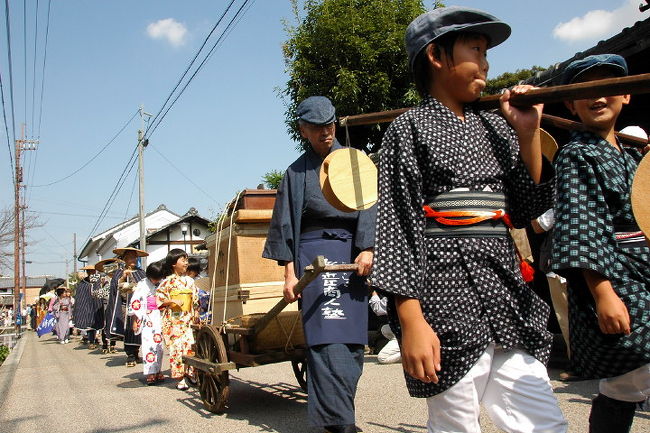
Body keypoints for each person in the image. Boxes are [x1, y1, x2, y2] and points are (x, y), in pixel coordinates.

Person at [372, 7, 568, 433]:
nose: (485, 62)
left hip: (506, 298)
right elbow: (398, 229)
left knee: (544, 423)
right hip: (444, 307)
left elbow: (526, 208)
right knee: (456, 425)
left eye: (486, 53)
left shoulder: (496, 128)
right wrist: (411, 322)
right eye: (475, 50)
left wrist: (528, 133)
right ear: (436, 56)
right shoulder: (408, 130)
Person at [263, 96, 376, 433]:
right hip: (312, 258)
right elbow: (283, 224)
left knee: (353, 342)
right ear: (303, 130)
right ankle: (337, 425)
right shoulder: (295, 173)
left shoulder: (357, 163)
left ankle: (339, 417)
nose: (325, 132)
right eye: (316, 127)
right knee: (326, 341)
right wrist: (289, 273)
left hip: (352, 259)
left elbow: (369, 208)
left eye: (329, 125)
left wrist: (367, 248)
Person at [551, 54, 650, 433]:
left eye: (607, 87)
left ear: (625, 95)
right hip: (616, 275)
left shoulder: (630, 157)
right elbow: (582, 227)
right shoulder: (578, 154)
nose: (598, 97)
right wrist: (604, 294)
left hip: (643, 266)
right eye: (586, 90)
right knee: (631, 377)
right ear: (570, 103)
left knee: (629, 383)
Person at [157, 248, 198, 391]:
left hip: (188, 318)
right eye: (183, 260)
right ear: (174, 263)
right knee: (177, 349)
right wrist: (171, 302)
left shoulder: (190, 281)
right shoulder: (166, 283)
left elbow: (195, 299)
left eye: (186, 260)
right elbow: (158, 300)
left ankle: (191, 373)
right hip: (173, 320)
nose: (186, 263)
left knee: (190, 346)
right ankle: (180, 378)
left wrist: (196, 313)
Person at [106, 247, 148, 367]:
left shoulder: (141, 272)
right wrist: (124, 277)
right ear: (124, 259)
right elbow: (115, 287)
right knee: (129, 329)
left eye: (134, 257)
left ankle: (135, 352)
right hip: (125, 305)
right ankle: (130, 355)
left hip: (139, 307)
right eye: (129, 257)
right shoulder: (119, 272)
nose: (132, 259)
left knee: (138, 330)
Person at [128, 260, 166, 385]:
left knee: (159, 346)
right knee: (149, 345)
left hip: (159, 316)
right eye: (154, 278)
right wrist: (135, 321)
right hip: (147, 318)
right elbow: (135, 304)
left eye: (158, 278)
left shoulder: (162, 284)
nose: (156, 281)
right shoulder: (142, 284)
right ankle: (150, 372)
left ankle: (158, 370)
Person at [73, 266, 104, 350]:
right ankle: (91, 341)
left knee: (98, 322)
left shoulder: (99, 280)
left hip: (97, 305)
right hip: (87, 306)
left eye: (93, 271)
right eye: (89, 271)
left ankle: (99, 341)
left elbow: (101, 291)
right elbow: (80, 296)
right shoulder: (82, 283)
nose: (91, 272)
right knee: (89, 323)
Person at [369, 291, 401, 364]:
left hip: (405, 332)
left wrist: (373, 292)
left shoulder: (395, 295)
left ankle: (407, 354)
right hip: (403, 327)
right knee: (384, 329)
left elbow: (378, 308)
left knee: (382, 358)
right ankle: (402, 345)